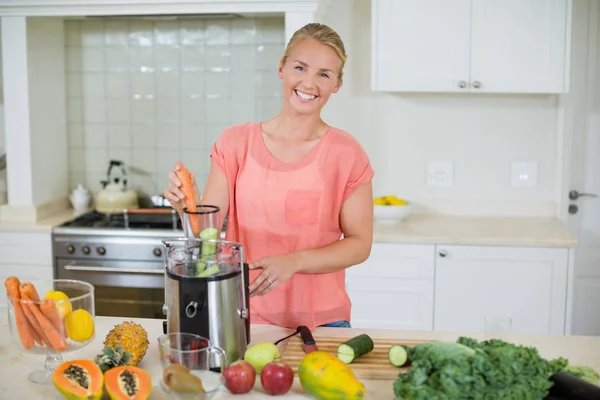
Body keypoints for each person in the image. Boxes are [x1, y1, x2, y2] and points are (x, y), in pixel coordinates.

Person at [164, 22, 374, 331]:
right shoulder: (235, 143)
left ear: (336, 84)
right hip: (244, 315)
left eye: (324, 74)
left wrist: (295, 261)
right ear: (282, 68)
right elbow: (205, 238)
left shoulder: (346, 152)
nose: (309, 83)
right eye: (300, 67)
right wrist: (188, 206)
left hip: (323, 321)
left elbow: (360, 244)